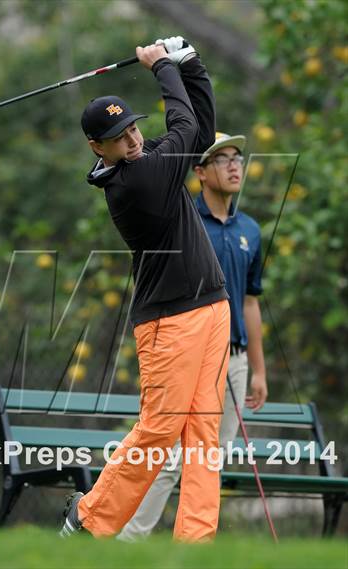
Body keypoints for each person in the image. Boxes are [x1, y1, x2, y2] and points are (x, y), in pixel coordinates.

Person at [60, 37, 231, 543]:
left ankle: (195, 543)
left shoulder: (145, 160)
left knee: (203, 435)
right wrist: (163, 68)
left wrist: (190, 65)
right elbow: (182, 127)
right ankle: (88, 518)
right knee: (160, 430)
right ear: (98, 147)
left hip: (211, 308)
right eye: (119, 135)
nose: (133, 139)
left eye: (133, 127)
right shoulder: (134, 184)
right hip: (168, 323)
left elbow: (197, 130)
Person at [117, 132, 267, 542]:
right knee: (167, 457)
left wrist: (257, 369)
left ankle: (193, 546)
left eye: (237, 157)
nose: (234, 165)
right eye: (222, 159)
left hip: (233, 360)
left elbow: (251, 303)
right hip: (189, 353)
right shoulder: (181, 218)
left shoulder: (250, 230)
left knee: (208, 458)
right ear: (199, 172)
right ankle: (129, 542)